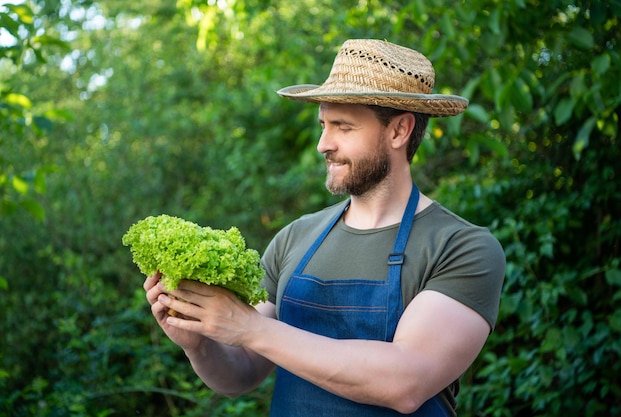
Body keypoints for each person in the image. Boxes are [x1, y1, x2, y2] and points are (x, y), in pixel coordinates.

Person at [144, 39, 505, 416]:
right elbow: (241, 374)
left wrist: (248, 327)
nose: (323, 144)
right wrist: (199, 344)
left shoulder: (462, 247)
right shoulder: (296, 238)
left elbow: (406, 382)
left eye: (342, 127)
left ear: (399, 131)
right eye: (323, 125)